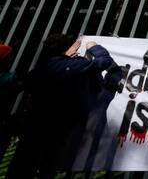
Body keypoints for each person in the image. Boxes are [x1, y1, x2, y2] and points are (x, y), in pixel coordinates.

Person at [6, 35, 121, 179]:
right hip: (57, 129)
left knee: (22, 167)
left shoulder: (42, 68)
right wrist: (93, 47)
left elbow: (26, 84)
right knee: (47, 167)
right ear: (69, 49)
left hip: (32, 127)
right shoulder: (71, 66)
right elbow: (104, 61)